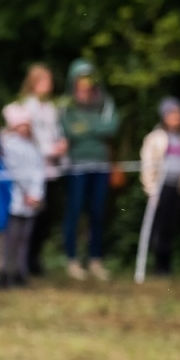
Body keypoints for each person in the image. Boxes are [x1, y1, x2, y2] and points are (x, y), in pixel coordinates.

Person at [60, 59, 120, 281]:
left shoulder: (105, 102)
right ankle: (72, 260)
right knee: (74, 212)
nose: (84, 82)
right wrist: (95, 129)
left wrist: (85, 128)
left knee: (98, 213)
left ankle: (96, 260)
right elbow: (70, 131)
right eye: (81, 78)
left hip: (100, 165)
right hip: (76, 167)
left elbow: (111, 127)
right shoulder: (67, 105)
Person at [17, 64, 66, 276]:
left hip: (51, 169)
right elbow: (31, 138)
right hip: (34, 168)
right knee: (33, 216)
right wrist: (49, 150)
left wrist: (61, 147)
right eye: (44, 81)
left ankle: (36, 258)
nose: (48, 85)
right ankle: (26, 260)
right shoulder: (26, 108)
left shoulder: (50, 108)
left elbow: (55, 132)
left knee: (46, 216)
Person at [139, 96, 180, 278]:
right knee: (160, 227)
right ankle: (158, 265)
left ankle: (166, 265)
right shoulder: (155, 138)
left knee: (171, 227)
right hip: (160, 188)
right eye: (172, 113)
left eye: (179, 113)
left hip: (177, 188)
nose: (177, 117)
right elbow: (147, 165)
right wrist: (151, 189)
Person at [0, 103, 46, 287]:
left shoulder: (33, 146)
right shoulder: (7, 145)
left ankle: (20, 271)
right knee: (10, 238)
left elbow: (38, 171)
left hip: (31, 200)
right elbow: (12, 171)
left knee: (25, 238)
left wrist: (35, 194)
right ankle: (5, 272)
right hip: (15, 198)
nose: (24, 128)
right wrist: (26, 192)